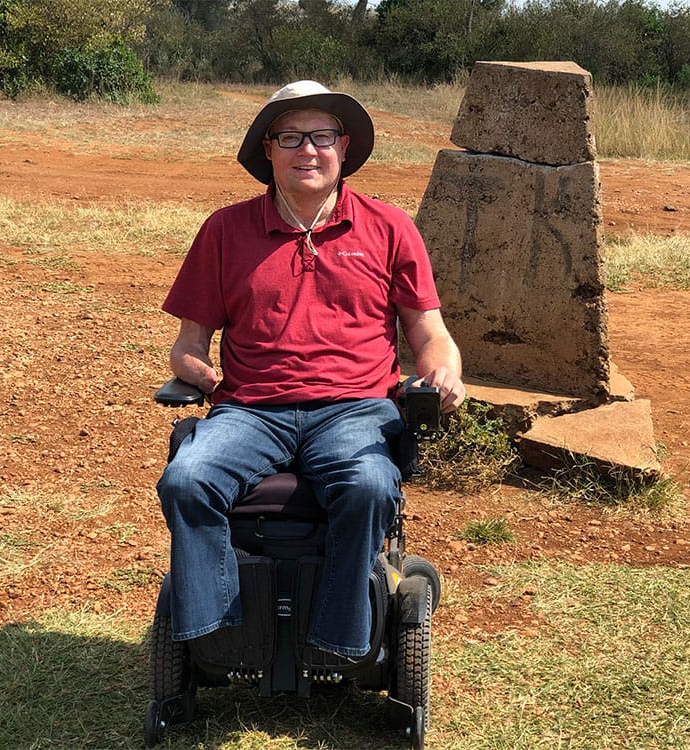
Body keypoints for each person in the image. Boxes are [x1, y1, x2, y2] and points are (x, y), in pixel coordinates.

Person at [156, 80, 466, 660]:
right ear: (268, 150)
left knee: (370, 486)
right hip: (251, 408)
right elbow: (189, 343)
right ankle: (219, 636)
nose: (308, 151)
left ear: (343, 148)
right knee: (186, 479)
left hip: (356, 408)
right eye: (291, 138)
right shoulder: (225, 230)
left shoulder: (389, 226)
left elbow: (430, 333)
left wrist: (443, 373)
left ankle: (340, 638)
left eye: (321, 137)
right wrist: (196, 371)